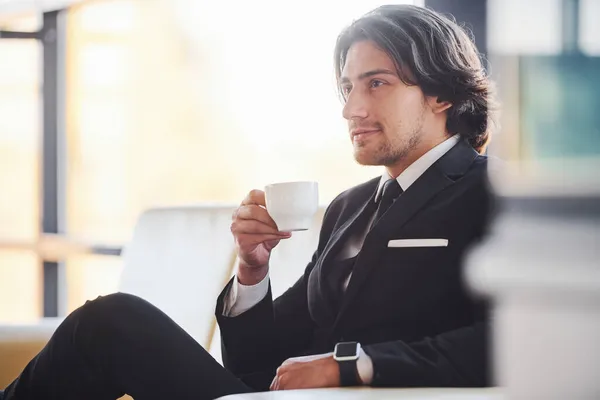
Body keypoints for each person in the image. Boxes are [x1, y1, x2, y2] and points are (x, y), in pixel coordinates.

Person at [1, 4, 497, 400]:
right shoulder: (350, 208)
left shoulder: (494, 192)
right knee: (103, 327)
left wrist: (352, 364)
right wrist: (252, 272)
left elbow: (512, 340)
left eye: (377, 83)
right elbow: (255, 366)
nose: (350, 108)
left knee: (108, 324)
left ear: (441, 94)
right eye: (347, 87)